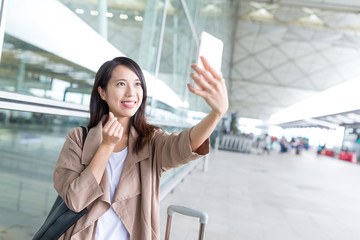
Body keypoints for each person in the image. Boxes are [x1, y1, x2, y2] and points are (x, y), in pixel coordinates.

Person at [53, 56, 228, 240]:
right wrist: (106, 145)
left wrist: (216, 114)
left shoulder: (151, 141)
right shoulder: (78, 139)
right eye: (121, 84)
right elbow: (75, 200)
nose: (131, 92)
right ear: (102, 92)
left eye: (137, 84)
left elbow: (185, 144)